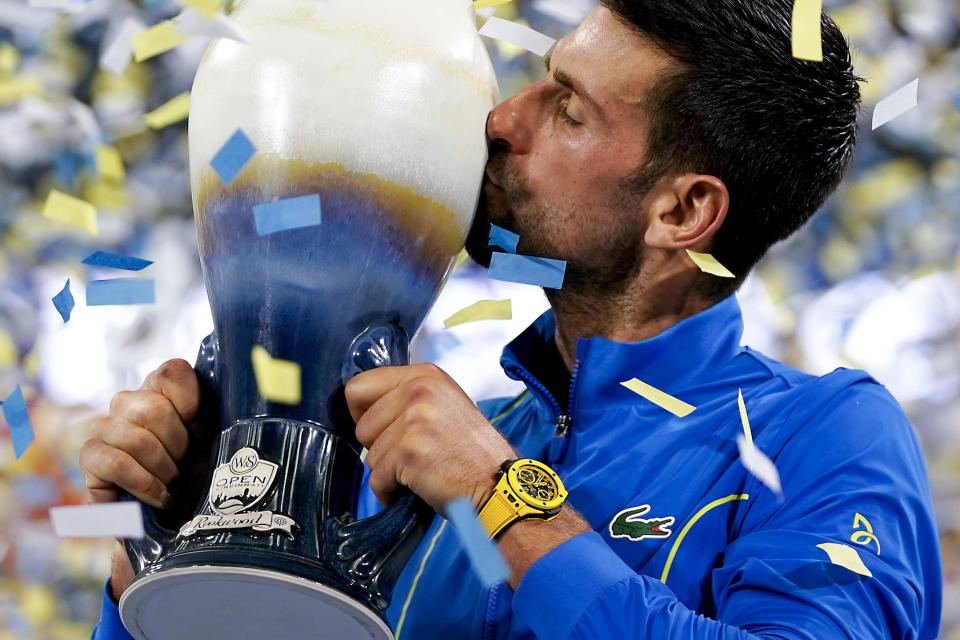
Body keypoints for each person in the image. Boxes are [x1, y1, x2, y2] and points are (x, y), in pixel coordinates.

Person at [83, 0, 942, 638]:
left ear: (682, 212)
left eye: (568, 110)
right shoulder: (411, 454)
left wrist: (506, 498)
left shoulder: (828, 432)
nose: (501, 120)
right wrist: (166, 549)